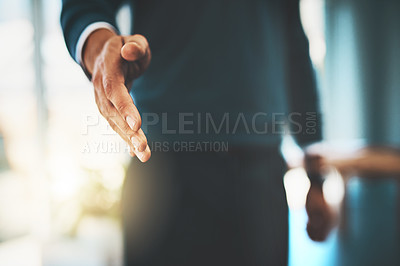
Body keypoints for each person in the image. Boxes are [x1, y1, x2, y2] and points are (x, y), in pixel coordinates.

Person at [61, 0, 323, 265]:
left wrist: (316, 172)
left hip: (259, 175)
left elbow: (295, 48)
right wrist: (100, 48)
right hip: (162, 172)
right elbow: (85, 6)